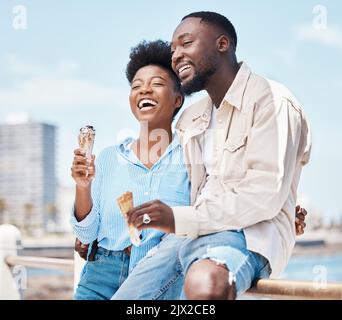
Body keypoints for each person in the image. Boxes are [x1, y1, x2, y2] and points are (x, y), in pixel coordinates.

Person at [111, 11, 312, 300]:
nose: (176, 55)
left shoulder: (273, 101)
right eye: (173, 50)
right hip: (187, 235)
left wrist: (179, 218)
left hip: (248, 236)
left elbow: (264, 196)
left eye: (186, 43)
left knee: (206, 284)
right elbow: (177, 182)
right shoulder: (191, 118)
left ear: (222, 44)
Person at [70, 40, 188, 299]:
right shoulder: (108, 158)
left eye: (156, 83)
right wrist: (83, 186)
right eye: (136, 86)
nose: (144, 90)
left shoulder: (191, 158)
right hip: (100, 275)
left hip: (158, 280)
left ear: (177, 99)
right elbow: (87, 233)